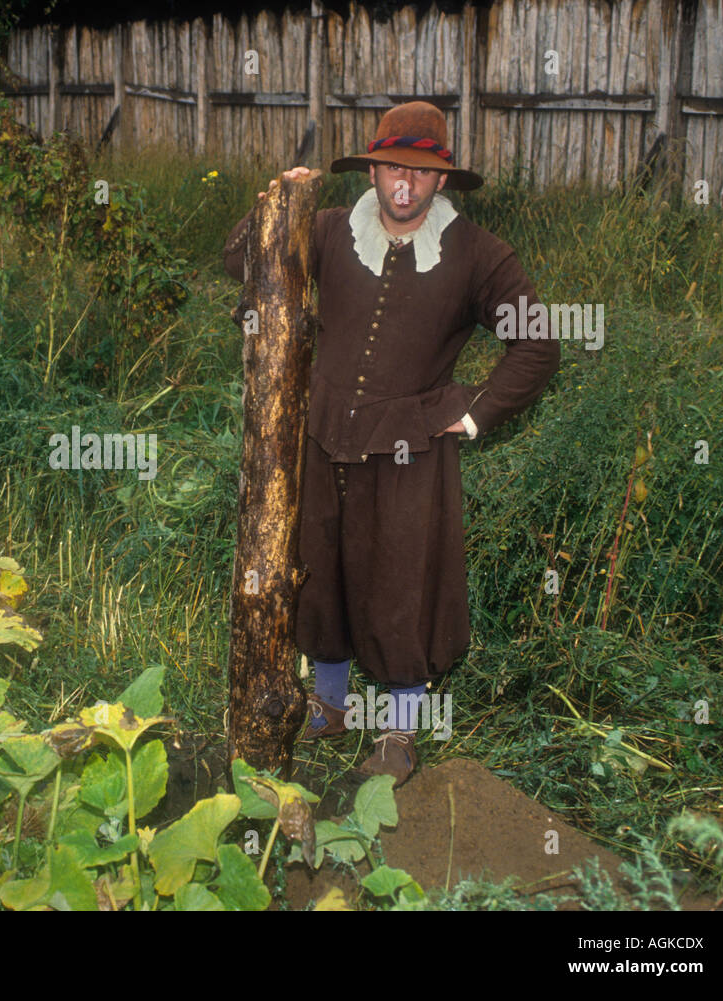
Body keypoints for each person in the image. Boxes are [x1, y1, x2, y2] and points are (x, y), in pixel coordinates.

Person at [222, 101, 560, 787]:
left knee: (399, 581)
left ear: (442, 181)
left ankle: (401, 731)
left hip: (410, 454)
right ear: (370, 170)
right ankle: (331, 703)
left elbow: (538, 342)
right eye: (390, 169)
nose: (402, 185)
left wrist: (474, 416)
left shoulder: (478, 254)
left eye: (420, 173)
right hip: (323, 439)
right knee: (320, 566)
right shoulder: (328, 230)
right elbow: (240, 260)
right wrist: (278, 201)